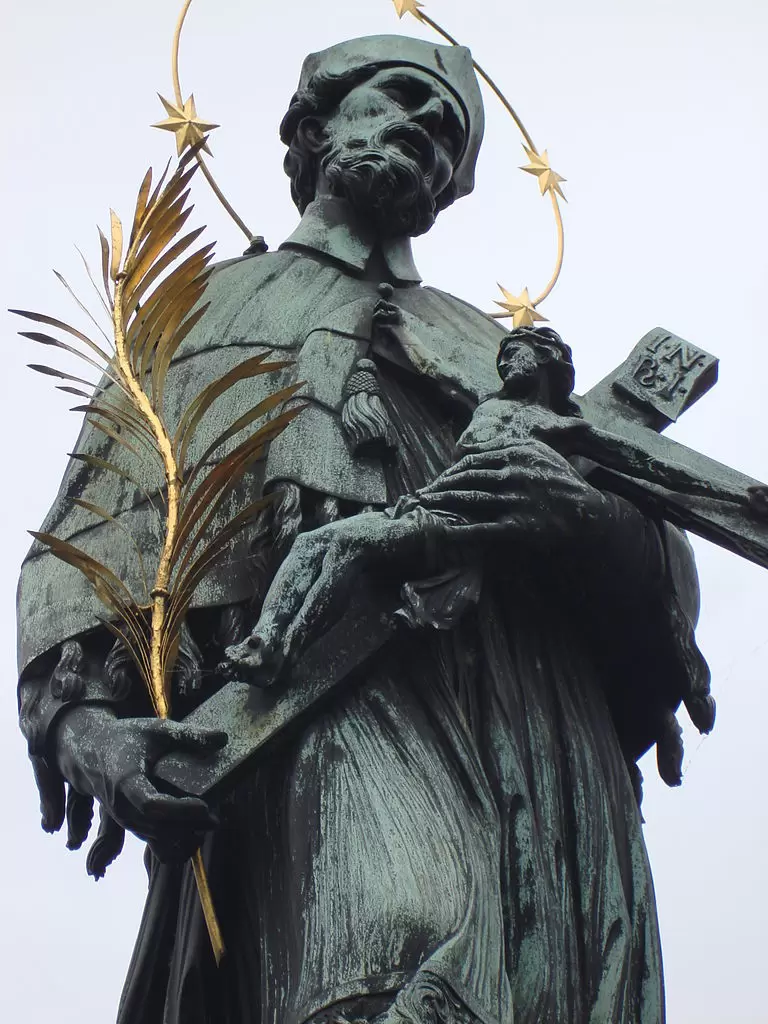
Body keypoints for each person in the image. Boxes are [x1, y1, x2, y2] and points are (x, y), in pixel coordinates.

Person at [16, 35, 714, 1024]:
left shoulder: (500, 350)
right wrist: (90, 730)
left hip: (547, 740)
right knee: (388, 959)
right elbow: (93, 534)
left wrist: (575, 511)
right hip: (326, 708)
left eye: (447, 129)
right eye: (397, 98)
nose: (424, 129)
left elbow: (651, 570)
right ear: (311, 127)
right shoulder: (199, 316)